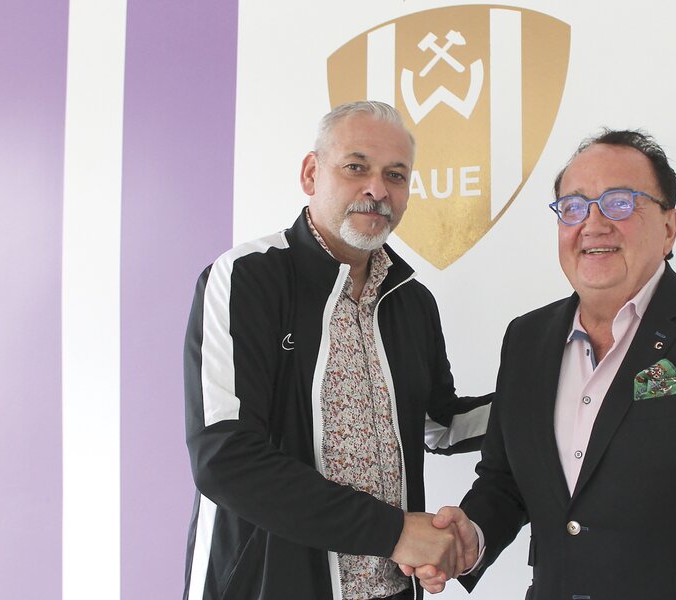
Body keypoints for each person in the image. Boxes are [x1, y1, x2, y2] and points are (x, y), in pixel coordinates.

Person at [417, 129, 676, 598]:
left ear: (669, 228)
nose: (593, 224)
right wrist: (474, 536)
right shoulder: (527, 339)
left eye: (619, 203)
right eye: (573, 207)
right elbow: (506, 480)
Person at [182, 100, 491, 600]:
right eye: (356, 167)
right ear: (311, 173)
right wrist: (395, 532)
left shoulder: (411, 301)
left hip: (389, 589)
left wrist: (549, 398)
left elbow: (441, 424)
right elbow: (225, 458)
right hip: (266, 587)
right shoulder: (248, 278)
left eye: (395, 175)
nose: (377, 190)